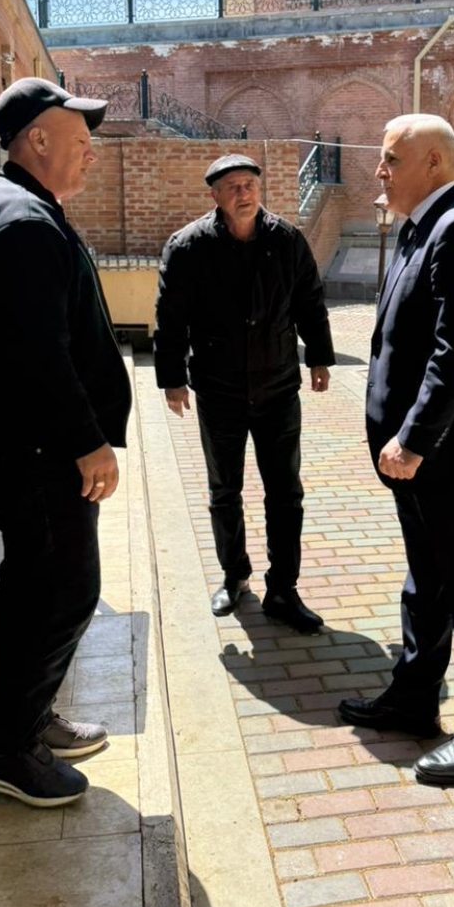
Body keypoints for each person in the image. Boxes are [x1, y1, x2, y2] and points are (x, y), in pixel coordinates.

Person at [0, 76, 133, 808]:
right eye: (80, 139)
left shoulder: (19, 207)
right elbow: (39, 353)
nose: (91, 152)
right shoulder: (22, 219)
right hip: (39, 453)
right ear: (36, 139)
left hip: (29, 448)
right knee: (64, 592)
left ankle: (31, 717)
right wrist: (88, 441)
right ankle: (9, 749)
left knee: (32, 587)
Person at [338, 113, 454, 785]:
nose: (378, 170)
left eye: (391, 158)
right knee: (427, 583)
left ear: (435, 162)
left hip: (451, 457)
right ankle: (415, 697)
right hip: (421, 460)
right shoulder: (424, 227)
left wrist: (413, 437)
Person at [154, 153, 335, 633]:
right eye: (232, 186)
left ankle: (283, 589)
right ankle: (234, 575)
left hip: (278, 387)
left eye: (250, 184)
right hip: (219, 390)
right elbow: (170, 317)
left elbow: (310, 300)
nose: (243, 193)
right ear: (215, 195)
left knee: (285, 492)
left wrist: (319, 357)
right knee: (224, 490)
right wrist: (172, 378)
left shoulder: (286, 240)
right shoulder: (188, 246)